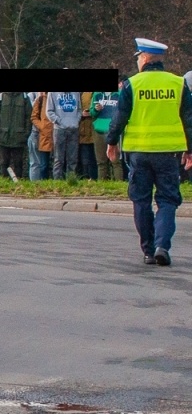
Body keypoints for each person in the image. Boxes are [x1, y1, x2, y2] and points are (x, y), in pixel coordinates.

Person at [107, 38, 192, 266]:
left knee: (141, 200)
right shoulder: (178, 83)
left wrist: (111, 142)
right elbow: (189, 120)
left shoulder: (132, 85)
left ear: (144, 58)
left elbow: (119, 117)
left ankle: (148, 250)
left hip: (139, 153)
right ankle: (162, 246)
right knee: (167, 200)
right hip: (168, 154)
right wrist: (190, 150)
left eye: (138, 58)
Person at [0, 91, 30, 180]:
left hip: (19, 138)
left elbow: (29, 117)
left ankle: (18, 182)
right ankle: (5, 182)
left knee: (18, 163)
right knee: (4, 163)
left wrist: (25, 134)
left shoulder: (24, 98)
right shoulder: (0, 97)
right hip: (3, 137)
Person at [46, 91, 83, 178]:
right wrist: (59, 121)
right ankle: (57, 181)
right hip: (59, 130)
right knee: (58, 159)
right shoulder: (52, 93)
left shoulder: (76, 93)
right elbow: (49, 111)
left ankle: (71, 180)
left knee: (73, 159)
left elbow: (79, 110)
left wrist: (76, 121)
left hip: (74, 129)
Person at [90, 88, 124, 181]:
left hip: (114, 130)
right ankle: (102, 185)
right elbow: (92, 112)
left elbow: (123, 111)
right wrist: (96, 109)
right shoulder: (97, 94)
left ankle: (119, 185)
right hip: (99, 130)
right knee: (101, 162)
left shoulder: (119, 94)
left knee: (116, 161)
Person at [28, 92, 53, 180]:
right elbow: (34, 117)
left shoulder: (58, 98)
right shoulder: (41, 99)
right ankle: (43, 183)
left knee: (58, 163)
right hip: (43, 136)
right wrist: (42, 126)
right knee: (43, 165)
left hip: (58, 134)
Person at [78, 91, 99, 180]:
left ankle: (94, 178)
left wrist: (92, 113)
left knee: (95, 159)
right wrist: (81, 114)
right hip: (83, 132)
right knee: (85, 159)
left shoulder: (98, 93)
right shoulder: (81, 94)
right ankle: (85, 178)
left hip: (96, 130)